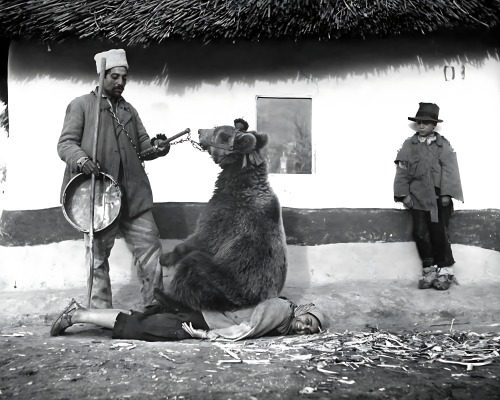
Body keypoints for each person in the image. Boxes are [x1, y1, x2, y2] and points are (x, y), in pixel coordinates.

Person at [57, 49, 173, 309]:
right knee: (97, 257)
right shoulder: (82, 105)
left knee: (150, 248)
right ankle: (99, 312)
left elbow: (142, 145)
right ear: (102, 75)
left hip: (133, 195)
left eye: (124, 78)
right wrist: (83, 160)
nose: (121, 82)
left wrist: (158, 146)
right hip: (98, 195)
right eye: (115, 77)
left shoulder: (129, 110)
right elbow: (65, 144)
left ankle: (156, 306)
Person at [50, 290, 324, 341]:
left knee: (140, 319)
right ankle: (76, 315)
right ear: (305, 311)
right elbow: (248, 329)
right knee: (143, 328)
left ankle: (81, 312)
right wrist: (206, 334)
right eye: (308, 321)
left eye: (309, 331)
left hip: (206, 309)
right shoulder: (282, 310)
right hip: (204, 318)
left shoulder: (285, 317)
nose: (303, 328)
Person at [394, 102, 464, 291]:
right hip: (418, 199)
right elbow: (402, 170)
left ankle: (445, 270)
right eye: (419, 122)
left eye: (426, 123)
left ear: (434, 125)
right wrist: (403, 195)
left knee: (439, 232)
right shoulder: (409, 145)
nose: (422, 126)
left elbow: (451, 171)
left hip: (439, 198)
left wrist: (446, 194)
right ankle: (429, 269)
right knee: (420, 232)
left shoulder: (443, 145)